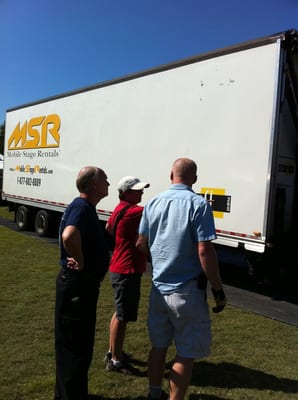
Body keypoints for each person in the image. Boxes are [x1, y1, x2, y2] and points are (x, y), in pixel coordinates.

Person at [136, 158, 227, 400]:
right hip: (187, 292)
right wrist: (217, 289)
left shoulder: (153, 202)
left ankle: (154, 394)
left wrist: (160, 260)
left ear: (170, 175)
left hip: (158, 288)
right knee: (186, 352)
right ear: (194, 179)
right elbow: (204, 251)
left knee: (158, 346)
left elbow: (140, 243)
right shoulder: (199, 204)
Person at [54, 166, 110, 400]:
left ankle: (73, 393)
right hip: (78, 287)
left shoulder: (86, 208)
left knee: (79, 345)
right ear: (93, 185)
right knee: (74, 346)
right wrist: (80, 260)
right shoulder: (81, 207)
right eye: (105, 179)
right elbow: (69, 235)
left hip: (81, 287)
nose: (108, 183)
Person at [104, 176, 150, 374]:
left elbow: (108, 228)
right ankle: (115, 360)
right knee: (122, 316)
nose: (141, 193)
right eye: (137, 190)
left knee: (119, 313)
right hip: (126, 269)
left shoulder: (119, 208)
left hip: (119, 266)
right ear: (125, 193)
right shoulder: (135, 211)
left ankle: (113, 351)